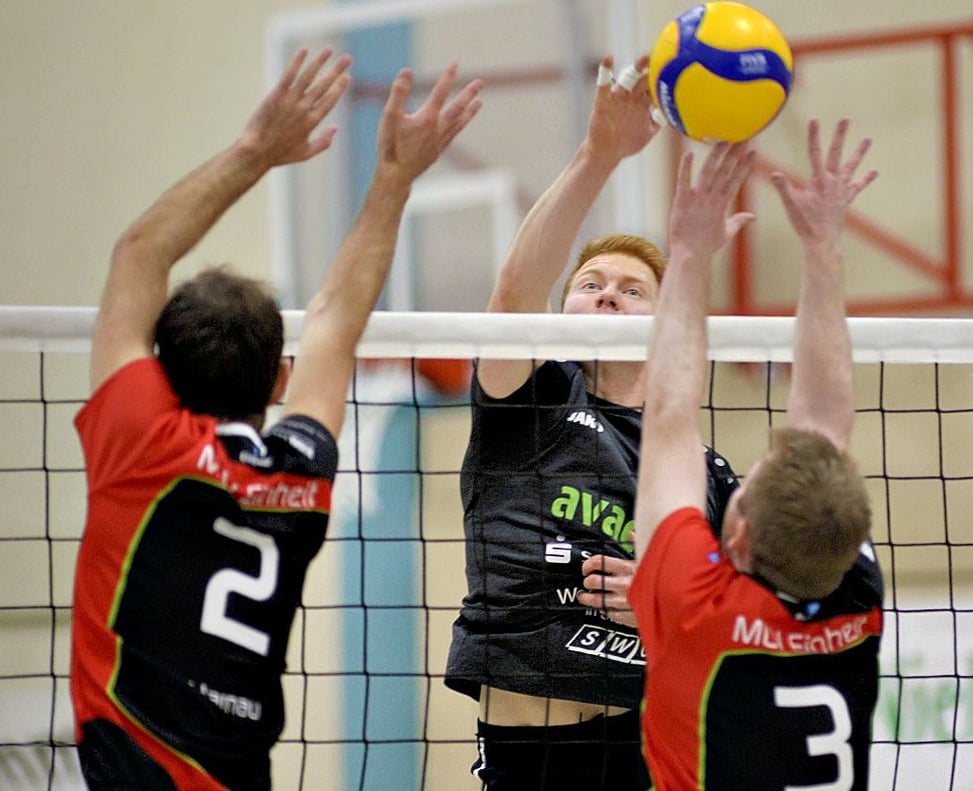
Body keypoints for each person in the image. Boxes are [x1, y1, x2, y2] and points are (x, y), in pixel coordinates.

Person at [69, 48, 483, 790]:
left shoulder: (140, 443)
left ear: (158, 371)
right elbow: (334, 319)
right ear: (280, 377)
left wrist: (256, 149)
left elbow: (138, 253)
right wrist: (393, 177)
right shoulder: (300, 470)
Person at [444, 54, 739, 790]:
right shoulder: (530, 398)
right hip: (530, 746)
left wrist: (664, 609)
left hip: (653, 744)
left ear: (666, 315)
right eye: (590, 284)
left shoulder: (701, 467)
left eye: (632, 288)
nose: (607, 296)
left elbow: (748, 620)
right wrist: (599, 154)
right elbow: (513, 298)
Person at [630, 119, 884, 790]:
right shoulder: (848, 586)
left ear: (735, 534)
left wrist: (685, 253)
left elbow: (668, 421)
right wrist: (823, 245)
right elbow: (823, 423)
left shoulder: (697, 608)